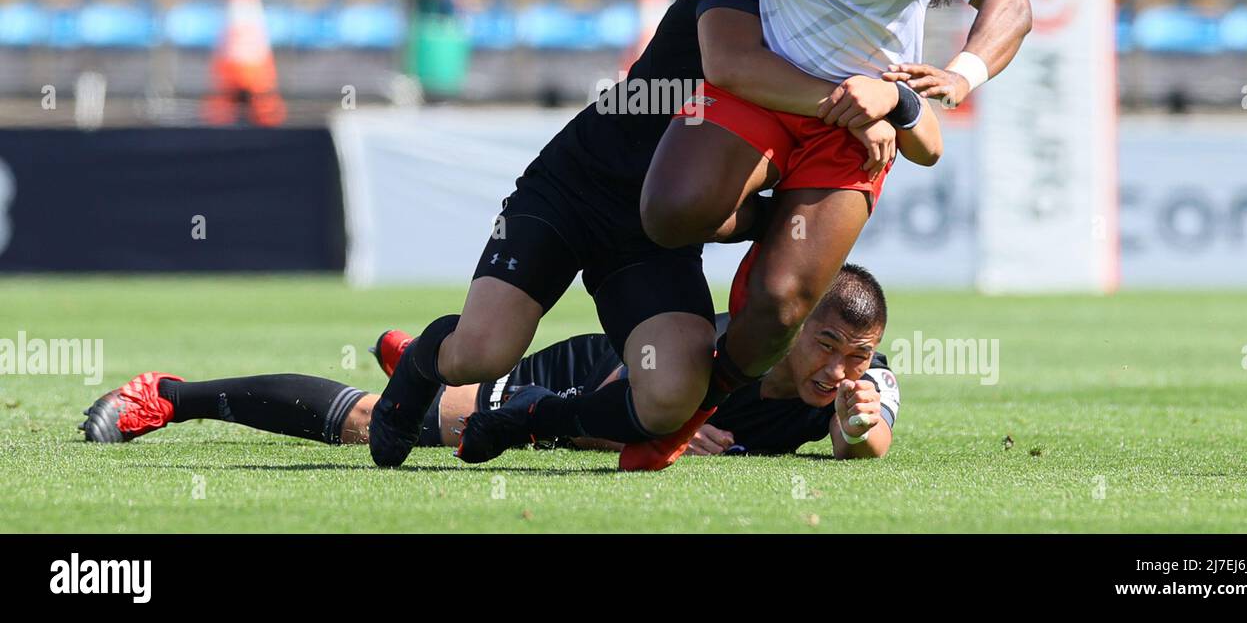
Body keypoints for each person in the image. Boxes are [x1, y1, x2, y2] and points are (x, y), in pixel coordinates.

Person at [627, 0, 1031, 468]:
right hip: (769, 81)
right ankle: (779, 217)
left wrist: (961, 76)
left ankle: (687, 415)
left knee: (781, 308)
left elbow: (1010, 1)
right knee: (668, 213)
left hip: (857, 115)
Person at [368, 0, 940, 472]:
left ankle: (531, 417)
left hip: (654, 235)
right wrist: (852, 104)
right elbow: (731, 60)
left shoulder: (850, 55)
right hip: (578, 185)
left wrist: (892, 100)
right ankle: (421, 364)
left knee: (670, 396)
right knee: (481, 355)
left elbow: (928, 141)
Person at [81, 265, 898, 461]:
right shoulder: (727, 344)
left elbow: (870, 437)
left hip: (585, 395)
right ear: (792, 326)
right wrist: (666, 430)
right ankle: (171, 396)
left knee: (438, 399)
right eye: (825, 345)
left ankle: (428, 369)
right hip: (587, 377)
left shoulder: (864, 380)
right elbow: (621, 398)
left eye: (853, 354)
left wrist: (858, 431)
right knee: (377, 422)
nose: (839, 368)